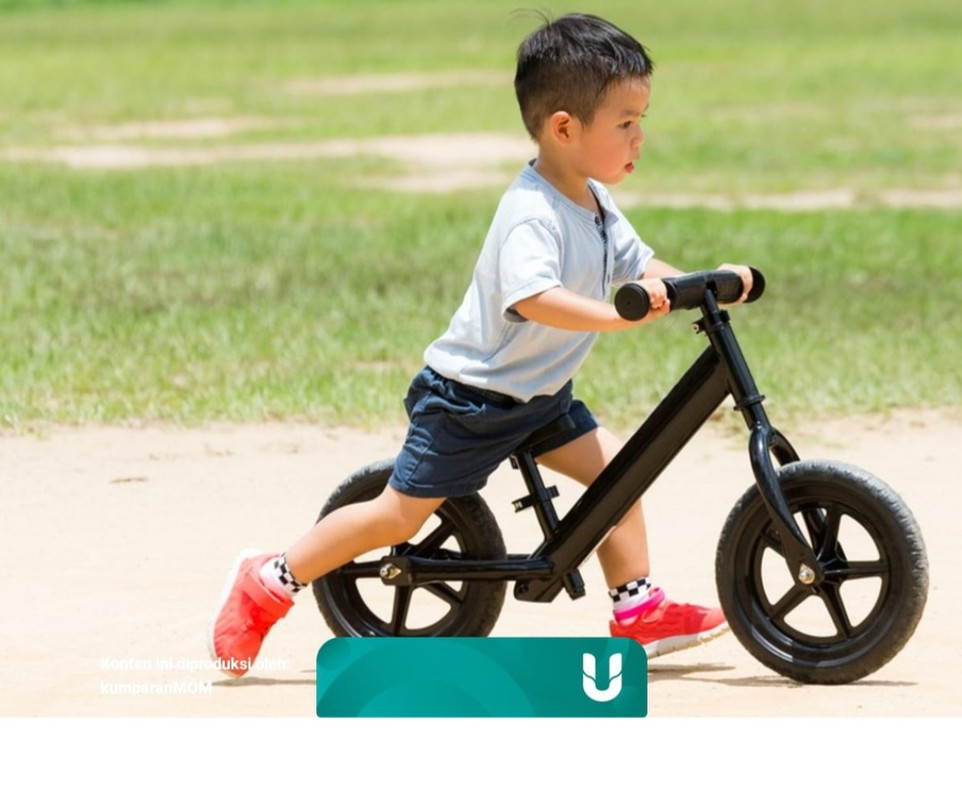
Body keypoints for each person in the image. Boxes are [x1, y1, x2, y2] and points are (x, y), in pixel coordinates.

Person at [209, 12, 752, 678]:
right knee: (396, 518)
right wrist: (613, 318)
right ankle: (270, 580)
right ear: (564, 129)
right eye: (626, 122)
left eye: (641, 119)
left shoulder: (595, 200)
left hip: (541, 398)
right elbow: (534, 297)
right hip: (471, 400)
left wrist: (706, 283)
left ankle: (637, 611)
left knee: (622, 475)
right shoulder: (531, 212)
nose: (640, 136)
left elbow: (641, 266)